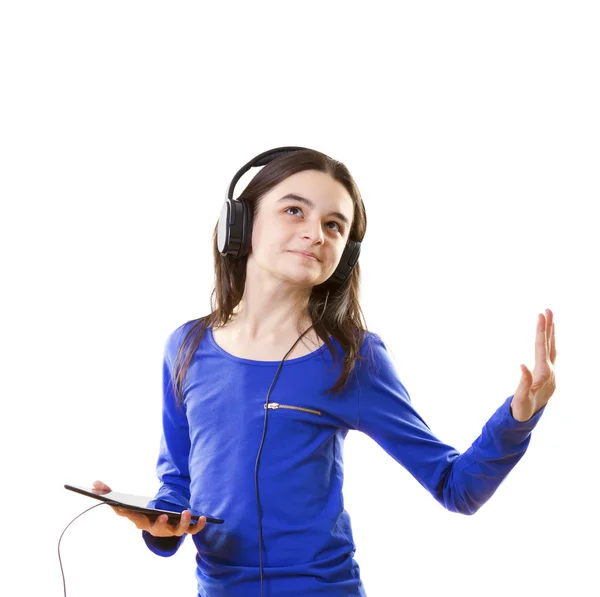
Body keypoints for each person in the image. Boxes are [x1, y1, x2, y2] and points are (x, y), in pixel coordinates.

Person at [94, 146, 557, 597]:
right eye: (294, 211)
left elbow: (456, 487)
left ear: (345, 254)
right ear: (241, 224)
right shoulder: (186, 348)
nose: (316, 233)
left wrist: (517, 420)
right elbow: (176, 486)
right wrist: (160, 526)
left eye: (334, 225)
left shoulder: (353, 358)